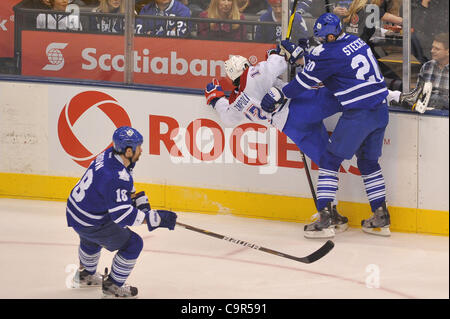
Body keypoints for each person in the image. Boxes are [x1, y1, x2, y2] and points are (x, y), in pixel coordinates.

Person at [261, 13, 392, 237]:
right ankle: (381, 216)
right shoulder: (355, 40)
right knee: (369, 162)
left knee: (330, 161)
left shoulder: (329, 53)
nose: (321, 41)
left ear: (331, 35)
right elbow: (330, 60)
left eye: (323, 38)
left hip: (360, 114)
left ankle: (325, 219)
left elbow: (305, 81)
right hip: (380, 110)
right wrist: (302, 55)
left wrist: (281, 93)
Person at [204, 52, 352, 236]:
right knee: (345, 94)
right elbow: (278, 64)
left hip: (289, 126)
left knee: (327, 163)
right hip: (300, 108)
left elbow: (226, 117)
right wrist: (276, 53)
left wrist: (217, 99)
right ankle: (386, 95)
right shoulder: (252, 75)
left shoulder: (235, 101)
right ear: (244, 67)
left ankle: (328, 215)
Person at [67, 126, 177, 298]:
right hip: (92, 220)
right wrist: (155, 218)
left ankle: (85, 275)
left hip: (77, 212)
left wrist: (138, 200)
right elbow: (123, 216)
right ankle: (113, 287)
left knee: (90, 240)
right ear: (127, 151)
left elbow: (119, 188)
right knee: (133, 244)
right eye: (138, 147)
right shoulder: (116, 176)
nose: (141, 150)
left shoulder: (109, 154)